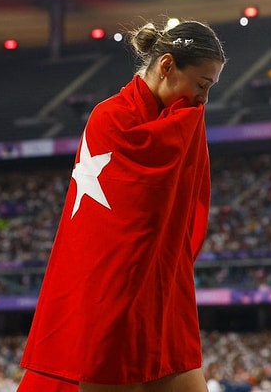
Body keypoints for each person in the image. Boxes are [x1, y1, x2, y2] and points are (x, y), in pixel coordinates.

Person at [17, 19, 226, 392]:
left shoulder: (181, 118)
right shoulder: (110, 117)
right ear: (166, 66)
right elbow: (126, 216)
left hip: (161, 292)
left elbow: (181, 203)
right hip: (111, 296)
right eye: (201, 85)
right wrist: (185, 123)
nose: (203, 101)